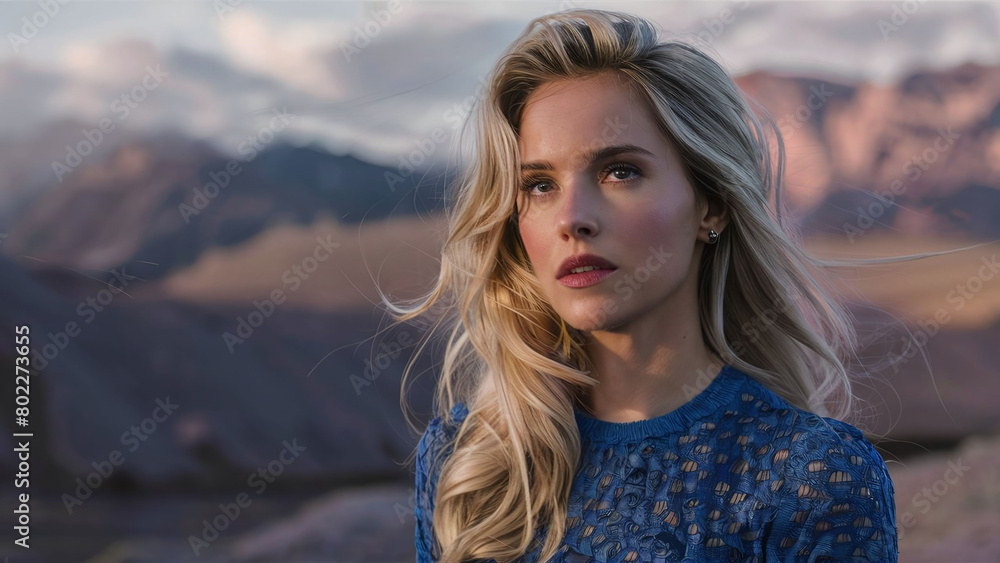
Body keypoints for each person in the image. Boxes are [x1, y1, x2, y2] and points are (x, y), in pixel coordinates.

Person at [387, 8, 974, 562]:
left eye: (620, 171)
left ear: (710, 205)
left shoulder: (811, 480)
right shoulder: (469, 460)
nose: (572, 217)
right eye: (539, 185)